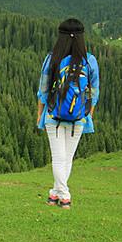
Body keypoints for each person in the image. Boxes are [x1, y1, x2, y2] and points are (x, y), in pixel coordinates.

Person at [35, 18, 99, 209]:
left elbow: (43, 90)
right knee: (67, 158)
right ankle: (56, 194)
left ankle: (63, 195)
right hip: (78, 118)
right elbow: (93, 93)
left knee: (58, 158)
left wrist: (39, 115)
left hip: (53, 116)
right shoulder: (90, 61)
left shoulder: (52, 58)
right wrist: (88, 114)